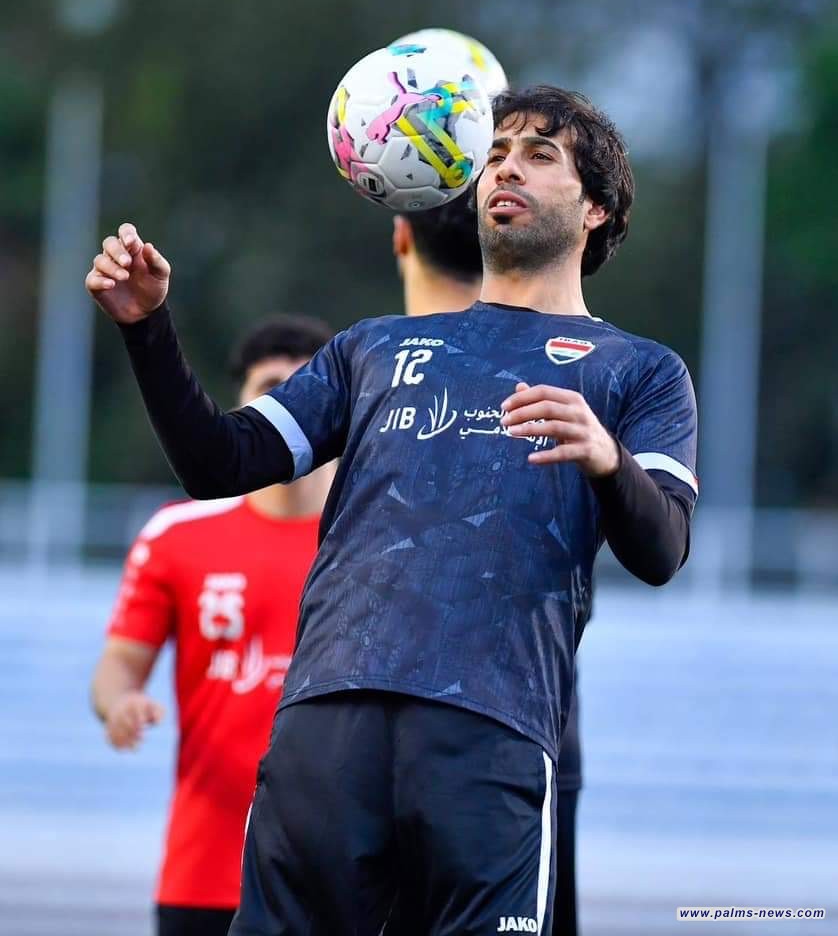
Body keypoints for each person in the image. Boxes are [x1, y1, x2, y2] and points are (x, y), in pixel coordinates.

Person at [85, 85, 698, 936]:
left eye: (538, 155)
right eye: (493, 155)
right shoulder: (374, 347)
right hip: (324, 727)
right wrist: (148, 330)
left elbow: (662, 549)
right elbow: (217, 461)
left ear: (596, 208)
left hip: (491, 734)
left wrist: (607, 459)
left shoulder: (639, 371)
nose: (505, 169)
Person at [90, 315, 335, 936]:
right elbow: (119, 664)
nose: (290, 406)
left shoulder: (378, 536)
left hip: (338, 877)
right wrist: (120, 703)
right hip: (205, 871)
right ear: (242, 405)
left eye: (305, 389)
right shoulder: (178, 534)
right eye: (272, 388)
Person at [394, 195, 584, 936]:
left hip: (361, 735)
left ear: (400, 234)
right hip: (522, 733)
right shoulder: (577, 373)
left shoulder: (370, 373)